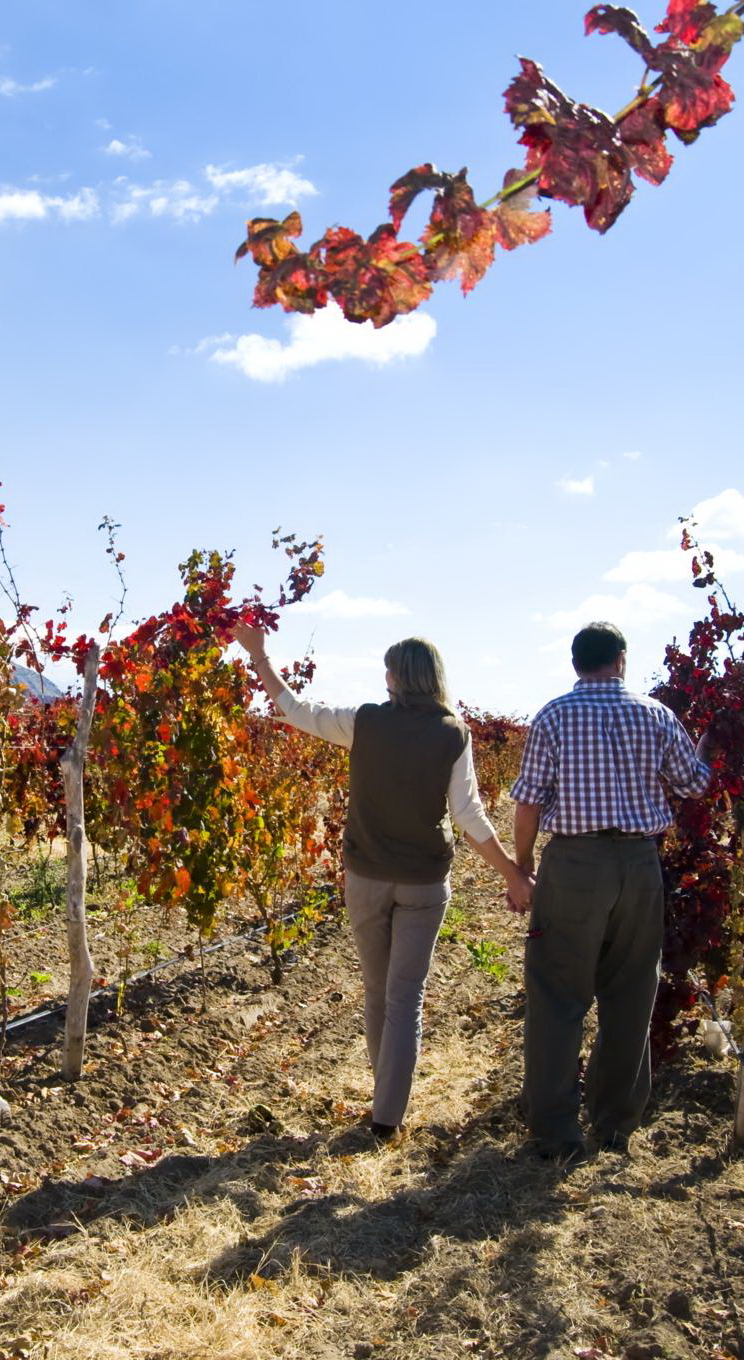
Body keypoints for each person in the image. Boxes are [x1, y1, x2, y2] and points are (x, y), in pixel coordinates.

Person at [232, 623, 533, 1140]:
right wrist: (513, 873)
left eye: (389, 670)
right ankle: (387, 1115)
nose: (385, 677)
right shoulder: (452, 733)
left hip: (366, 877)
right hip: (423, 884)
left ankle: (384, 1097)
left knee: (376, 991)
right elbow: (470, 814)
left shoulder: (365, 723)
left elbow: (295, 710)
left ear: (397, 677)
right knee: (403, 998)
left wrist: (260, 656)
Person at [510, 621, 714, 1163]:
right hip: (638, 863)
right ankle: (616, 1123)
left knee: (557, 995)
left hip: (574, 864)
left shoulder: (554, 716)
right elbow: (695, 784)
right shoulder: (655, 715)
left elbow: (528, 803)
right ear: (621, 660)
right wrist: (704, 750)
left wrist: (523, 864)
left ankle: (555, 1131)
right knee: (630, 994)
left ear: (575, 663)